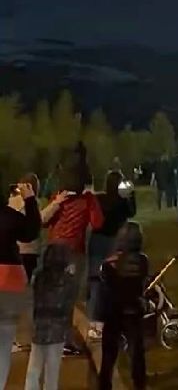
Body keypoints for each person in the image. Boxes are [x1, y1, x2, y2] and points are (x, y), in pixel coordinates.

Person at [42, 162, 104, 355]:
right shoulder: (87, 200)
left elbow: (45, 222)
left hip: (53, 250)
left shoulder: (59, 197)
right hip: (72, 253)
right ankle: (64, 341)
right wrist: (92, 198)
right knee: (67, 298)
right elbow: (98, 223)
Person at [0, 178, 40, 388]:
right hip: (10, 281)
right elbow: (31, 231)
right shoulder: (9, 217)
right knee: (4, 343)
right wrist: (30, 200)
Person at [99, 222, 148, 390]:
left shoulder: (108, 264)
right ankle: (139, 384)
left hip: (113, 312)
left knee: (108, 354)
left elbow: (105, 287)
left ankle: (104, 385)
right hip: (133, 310)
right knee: (137, 353)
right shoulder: (143, 261)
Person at [87, 170, 136, 338]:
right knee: (110, 283)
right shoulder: (122, 202)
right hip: (112, 242)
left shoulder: (99, 199)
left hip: (96, 240)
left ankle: (93, 321)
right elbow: (131, 212)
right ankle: (106, 320)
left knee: (95, 281)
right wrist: (130, 194)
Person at [24, 244, 75, 390]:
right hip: (58, 329)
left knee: (34, 367)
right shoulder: (68, 281)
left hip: (39, 326)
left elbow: (33, 300)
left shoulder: (39, 277)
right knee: (52, 370)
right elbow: (69, 305)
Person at [8, 173, 41, 283]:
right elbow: (35, 226)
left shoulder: (12, 201)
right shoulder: (34, 203)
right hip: (29, 250)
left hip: (19, 250)